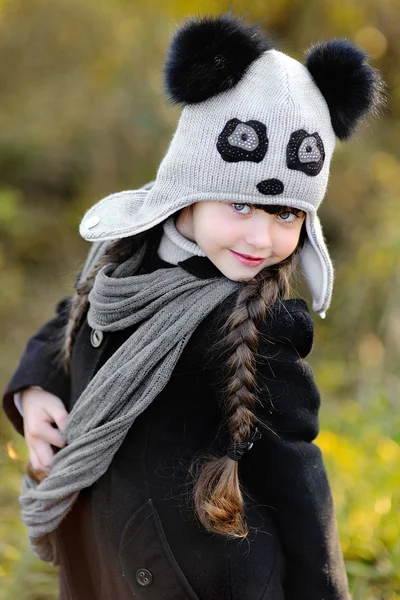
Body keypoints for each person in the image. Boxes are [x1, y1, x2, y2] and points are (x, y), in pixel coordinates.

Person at [2, 11, 385, 600]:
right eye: (239, 206)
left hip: (202, 582)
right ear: (188, 192)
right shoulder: (123, 264)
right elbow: (75, 319)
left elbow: (299, 484)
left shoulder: (263, 325)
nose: (260, 239)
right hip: (103, 565)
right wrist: (33, 393)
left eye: (285, 214)